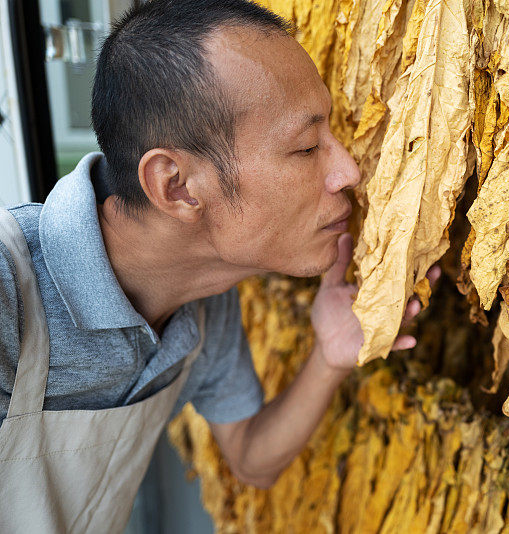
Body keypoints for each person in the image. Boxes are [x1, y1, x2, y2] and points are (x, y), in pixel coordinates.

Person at [0, 0, 438, 531]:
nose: (348, 170)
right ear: (176, 186)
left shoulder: (206, 296)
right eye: (306, 147)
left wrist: (330, 356)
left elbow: (251, 458)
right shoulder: (8, 293)